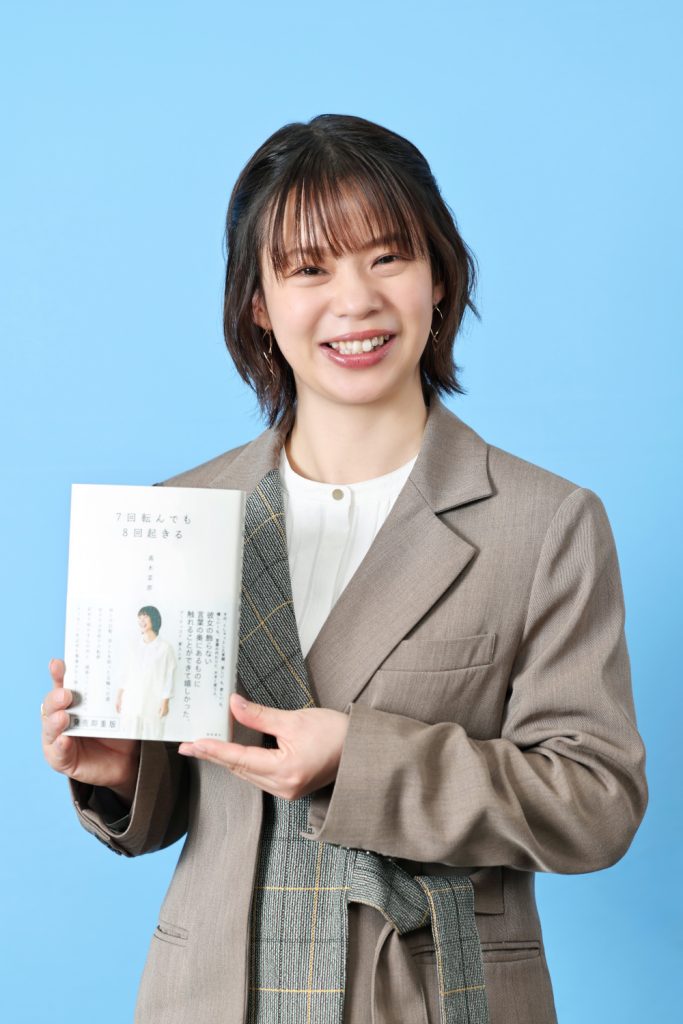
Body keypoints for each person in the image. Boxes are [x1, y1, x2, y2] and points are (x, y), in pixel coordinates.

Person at [41, 113, 647, 1024]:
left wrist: (361, 759)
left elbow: (596, 803)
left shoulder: (544, 523)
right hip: (210, 996)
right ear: (258, 302)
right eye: (308, 269)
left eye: (387, 257)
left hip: (428, 993)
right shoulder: (180, 512)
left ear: (438, 278)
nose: (355, 300)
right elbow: (191, 812)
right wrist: (121, 774)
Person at [115, 606, 176, 740]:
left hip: (153, 702)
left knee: (153, 737)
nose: (142, 621)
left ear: (154, 619)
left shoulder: (165, 648)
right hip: (131, 701)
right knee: (129, 738)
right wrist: (119, 697)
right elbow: (125, 673)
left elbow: (169, 677)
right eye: (140, 617)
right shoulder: (132, 646)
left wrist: (165, 702)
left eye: (145, 617)